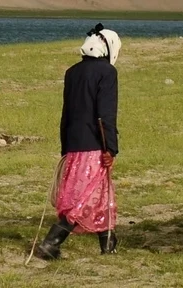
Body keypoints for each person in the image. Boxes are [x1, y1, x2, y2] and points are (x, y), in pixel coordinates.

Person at [33, 24, 121, 259]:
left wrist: (65, 146)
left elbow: (67, 113)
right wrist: (111, 148)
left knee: (100, 193)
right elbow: (105, 114)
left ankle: (108, 244)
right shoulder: (107, 73)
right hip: (94, 146)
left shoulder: (72, 72)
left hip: (74, 144)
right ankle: (51, 243)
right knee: (84, 197)